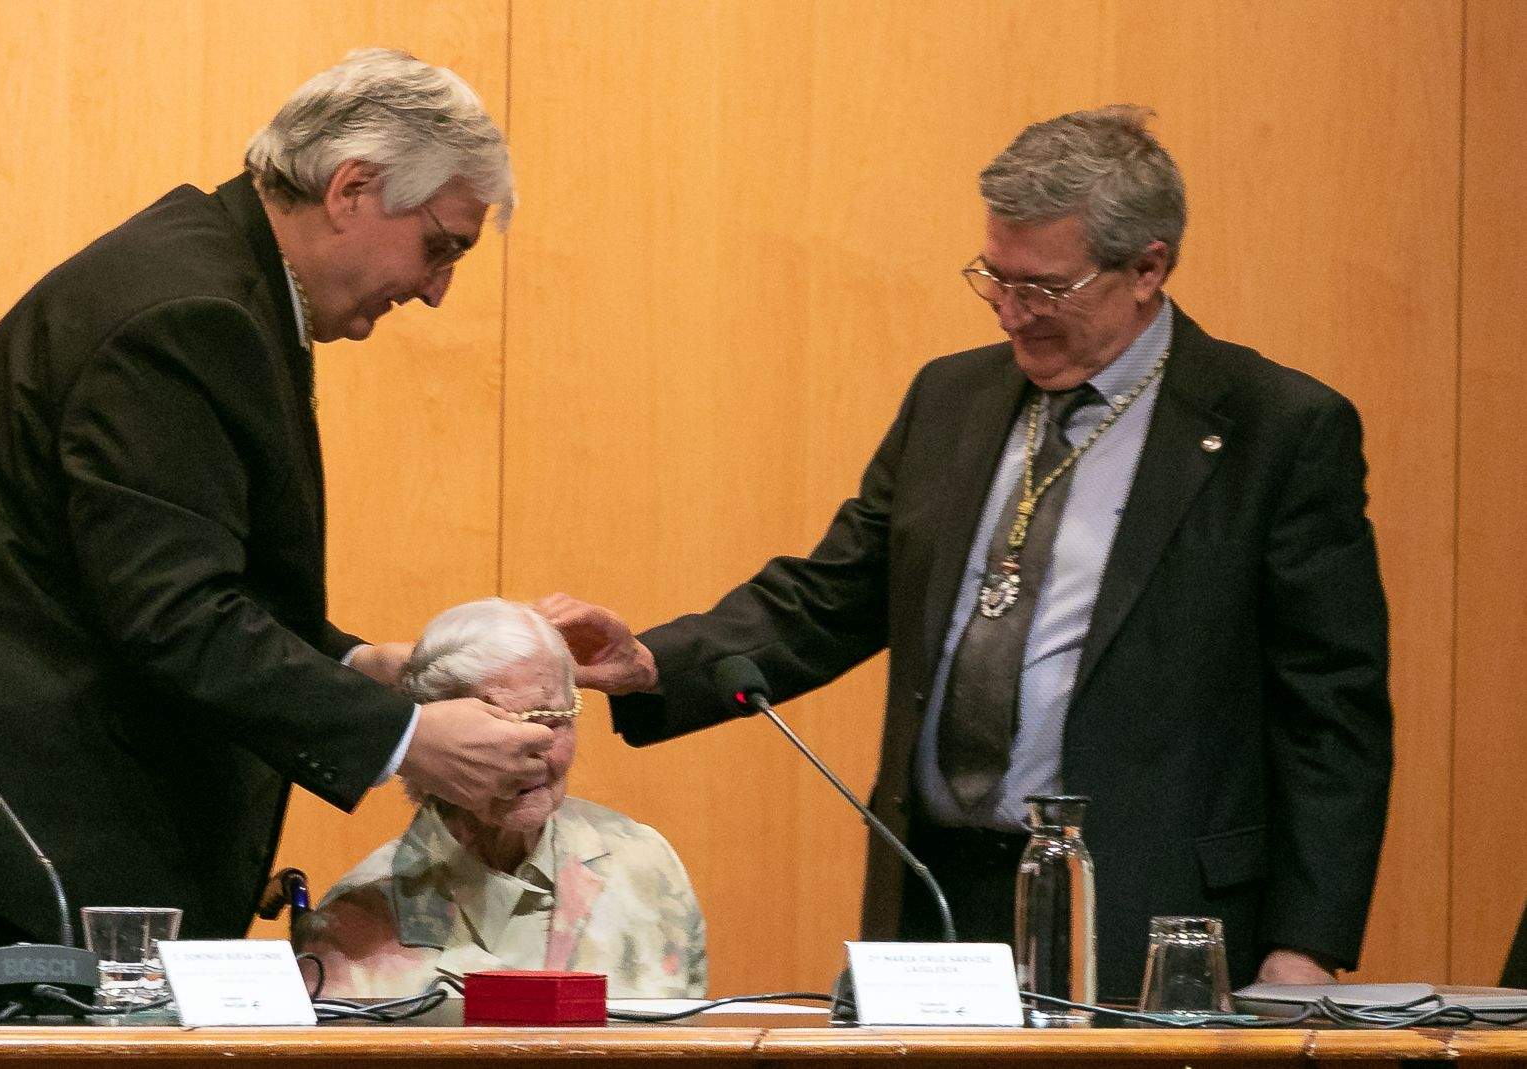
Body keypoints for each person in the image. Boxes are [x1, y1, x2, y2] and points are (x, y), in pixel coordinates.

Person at [542, 106, 1393, 1002]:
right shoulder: (951, 397)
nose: (1013, 313)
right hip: (938, 899)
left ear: (1148, 267)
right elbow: (836, 593)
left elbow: (1331, 711)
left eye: (1046, 289)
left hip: (1153, 910)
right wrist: (652, 663)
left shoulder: (1275, 429)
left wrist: (1306, 947)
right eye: (996, 278)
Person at [0, 49, 555, 992]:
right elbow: (174, 615)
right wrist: (405, 734)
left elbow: (177, 576)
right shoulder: (190, 310)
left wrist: (357, 664)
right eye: (441, 244)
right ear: (354, 187)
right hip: (4, 795)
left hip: (17, 774)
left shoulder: (218, 276)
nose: (438, 288)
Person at [294, 598, 707, 998]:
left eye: (550, 721)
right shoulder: (357, 921)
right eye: (495, 728)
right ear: (432, 744)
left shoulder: (646, 867)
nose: (529, 751)